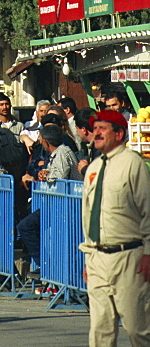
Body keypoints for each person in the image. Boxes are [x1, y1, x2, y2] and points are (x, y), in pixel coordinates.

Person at [80, 108, 150, 346]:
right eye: (95, 128)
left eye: (102, 128)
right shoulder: (94, 167)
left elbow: (147, 210)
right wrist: (89, 257)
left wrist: (148, 253)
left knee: (138, 329)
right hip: (98, 258)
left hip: (129, 257)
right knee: (100, 330)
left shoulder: (133, 164)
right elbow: (88, 215)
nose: (96, 133)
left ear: (119, 134)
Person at [17, 123, 81, 269]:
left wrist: (46, 176)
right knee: (28, 226)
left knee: (26, 227)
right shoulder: (58, 153)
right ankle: (46, 265)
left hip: (65, 204)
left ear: (46, 141)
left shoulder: (63, 152)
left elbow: (60, 175)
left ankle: (46, 266)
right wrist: (43, 173)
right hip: (57, 203)